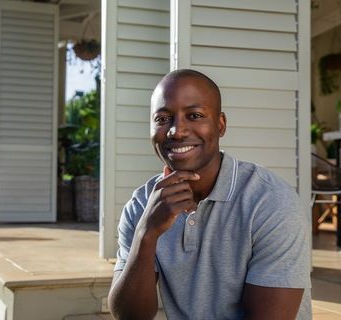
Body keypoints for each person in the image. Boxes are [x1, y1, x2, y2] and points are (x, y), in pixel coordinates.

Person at [108, 69, 311, 320]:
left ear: (221, 124)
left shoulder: (270, 202)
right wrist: (146, 234)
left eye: (194, 116)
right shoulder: (142, 204)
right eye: (163, 119)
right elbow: (129, 316)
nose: (176, 131)